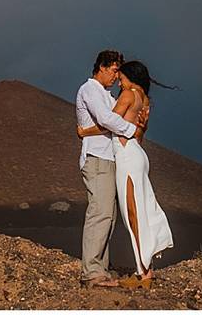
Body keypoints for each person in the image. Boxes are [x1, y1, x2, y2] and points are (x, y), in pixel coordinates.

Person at [77, 60, 175, 289]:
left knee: (133, 214)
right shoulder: (144, 100)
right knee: (141, 209)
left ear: (129, 76)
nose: (118, 81)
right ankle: (146, 269)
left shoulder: (128, 95)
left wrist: (84, 131)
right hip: (137, 154)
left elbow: (108, 122)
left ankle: (143, 274)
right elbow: (139, 133)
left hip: (126, 158)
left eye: (120, 77)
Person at [75, 50, 147, 288]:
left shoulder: (105, 94)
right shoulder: (90, 90)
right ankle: (92, 273)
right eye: (115, 70)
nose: (117, 77)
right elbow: (106, 120)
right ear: (102, 67)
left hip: (109, 158)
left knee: (109, 216)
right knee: (101, 212)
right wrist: (131, 131)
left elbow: (113, 119)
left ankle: (101, 269)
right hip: (97, 157)